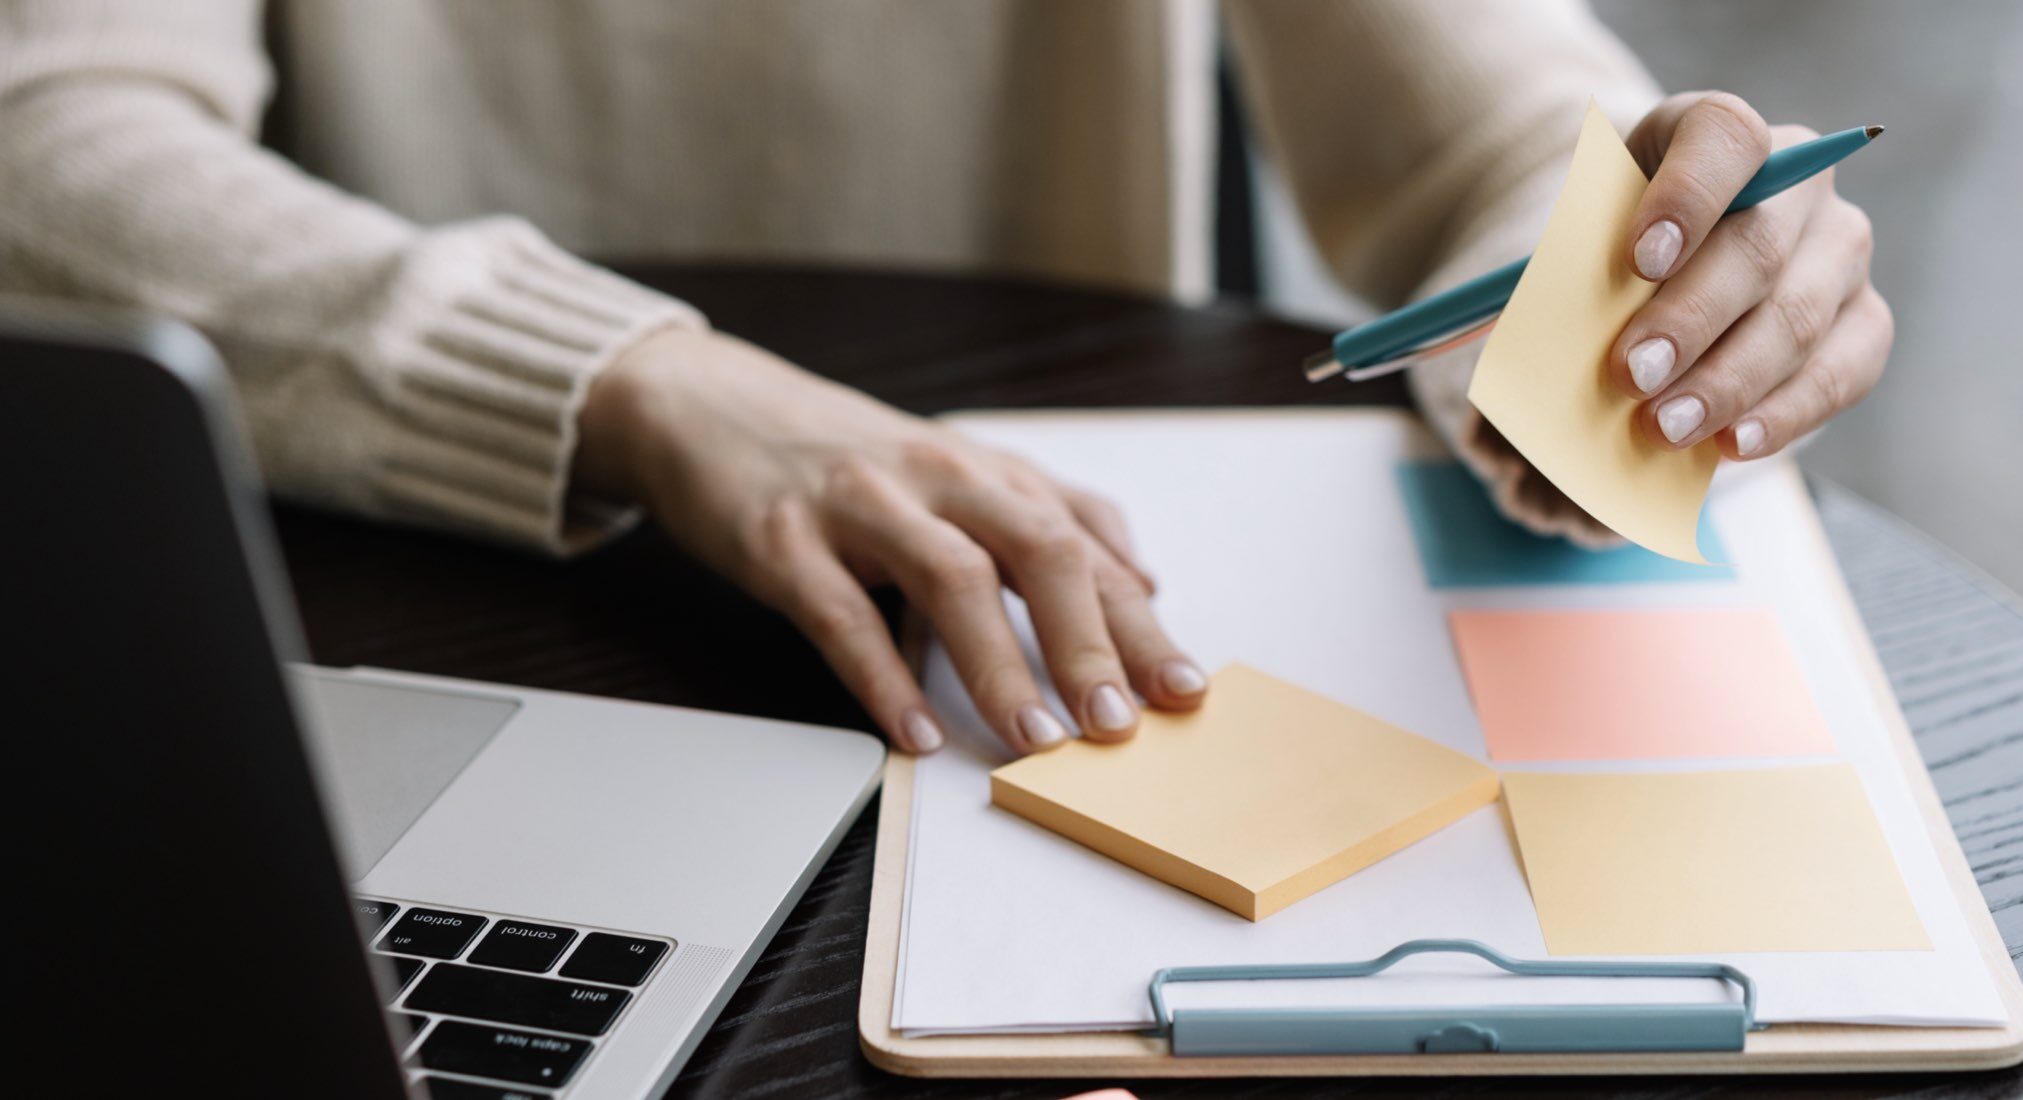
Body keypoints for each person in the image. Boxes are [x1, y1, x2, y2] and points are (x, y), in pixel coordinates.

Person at [0, 1, 1890, 758]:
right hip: (432, 587)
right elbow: (49, 140)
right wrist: (635, 378)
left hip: (1043, 615)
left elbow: (1480, 117)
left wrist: (1628, 276)